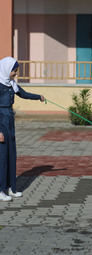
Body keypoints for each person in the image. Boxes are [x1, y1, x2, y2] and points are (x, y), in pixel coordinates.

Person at [0, 57, 45, 202]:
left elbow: (23, 94)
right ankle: (1, 190)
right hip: (1, 122)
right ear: (6, 69)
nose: (16, 73)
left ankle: (11, 188)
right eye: (14, 70)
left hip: (10, 121)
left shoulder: (11, 84)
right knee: (2, 157)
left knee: (11, 155)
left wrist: (38, 97)